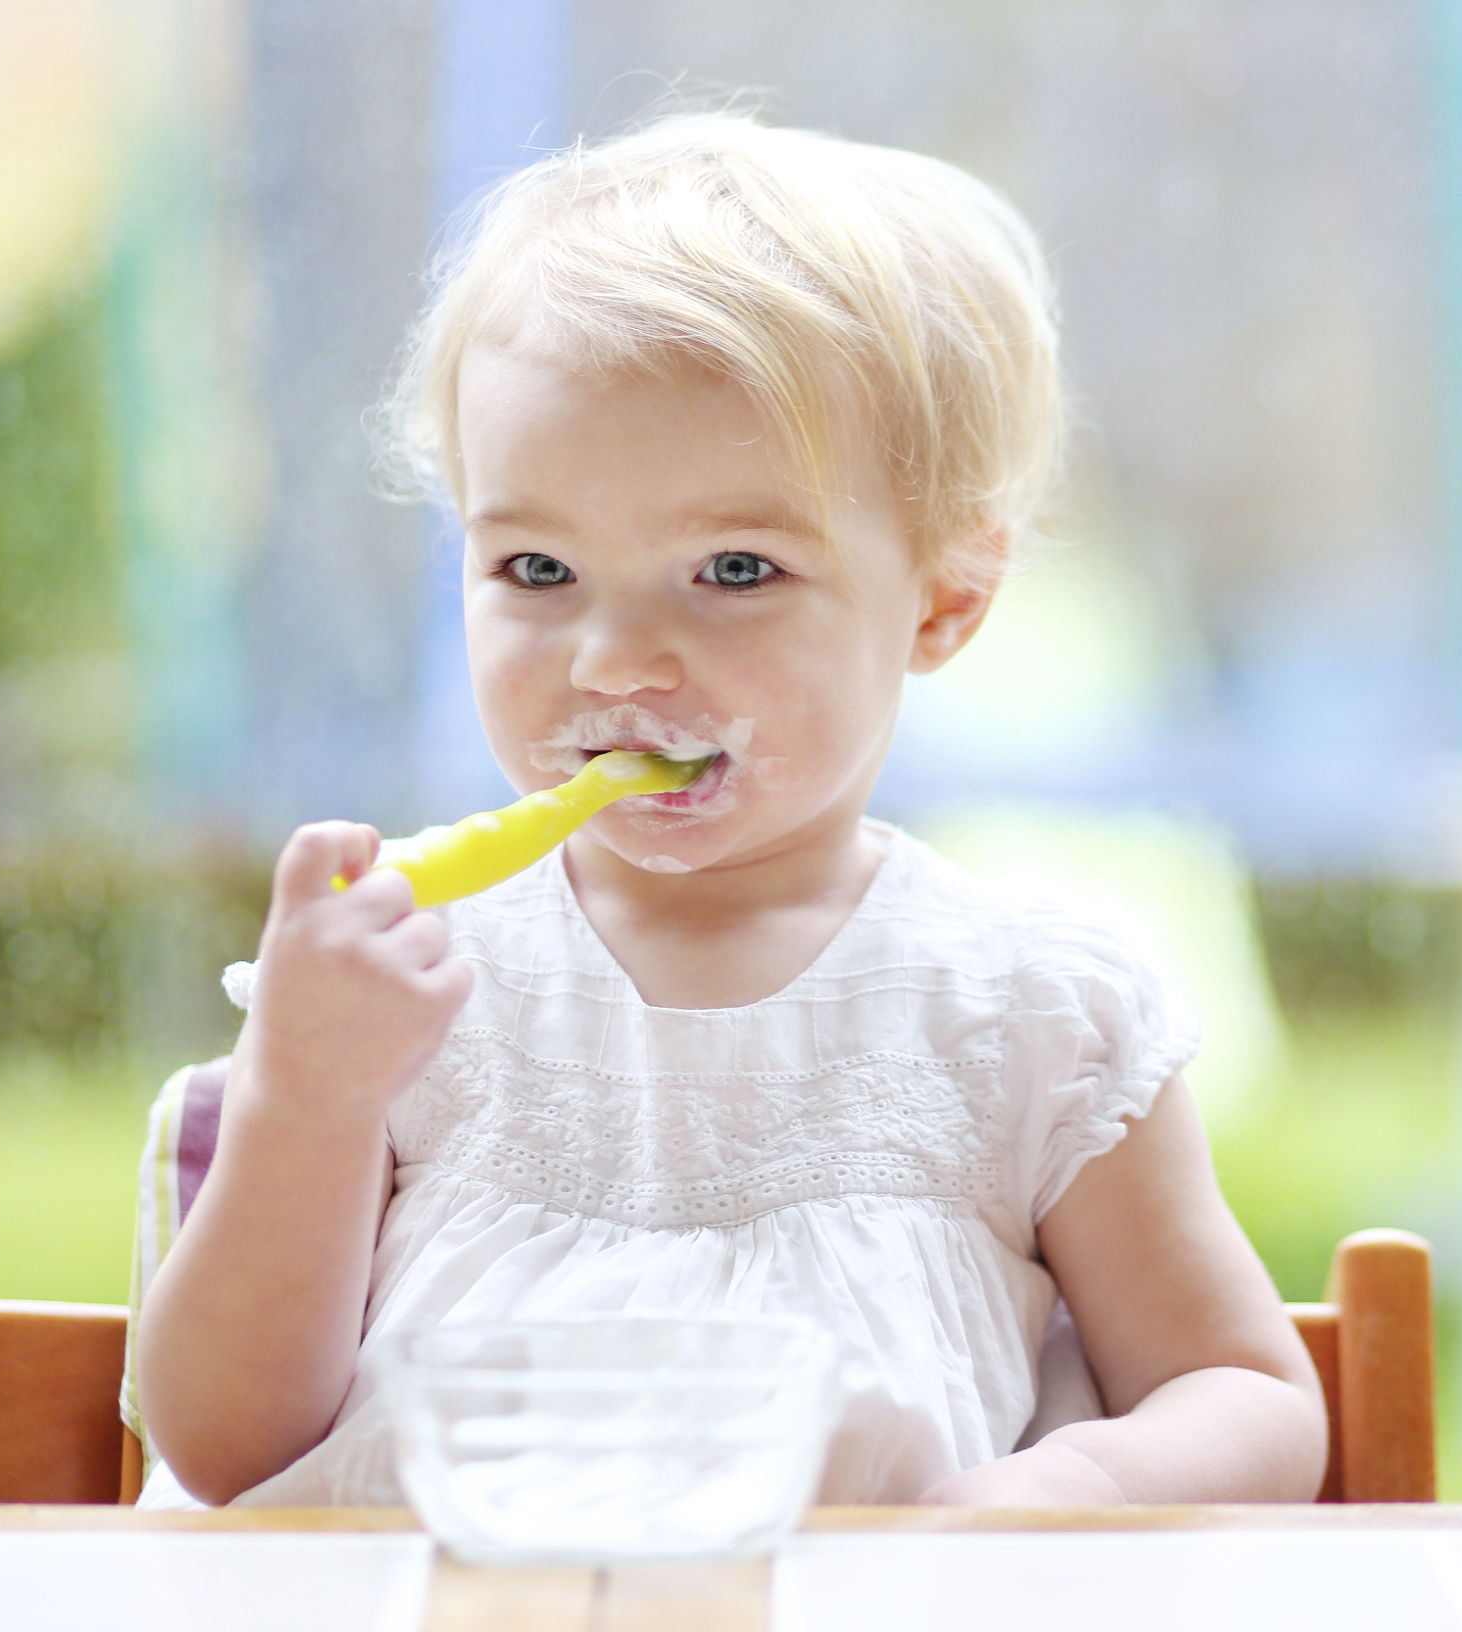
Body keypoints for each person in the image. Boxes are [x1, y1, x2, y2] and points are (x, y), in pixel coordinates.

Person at [125, 111, 1327, 1509]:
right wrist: (306, 1095)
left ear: (944, 599)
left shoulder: (1028, 1016)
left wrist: (1074, 1493)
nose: (614, 660)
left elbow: (1244, 1394)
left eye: (735, 570)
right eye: (536, 569)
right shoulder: (397, 980)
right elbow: (225, 1446)